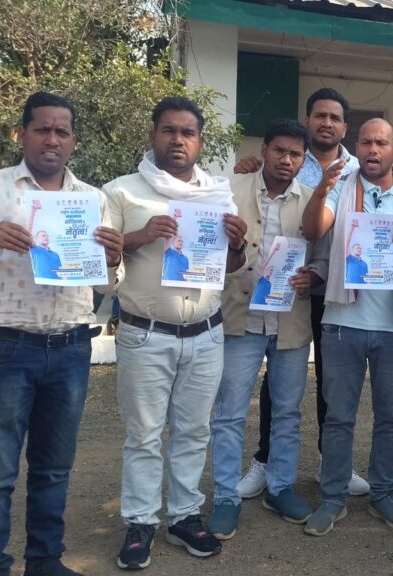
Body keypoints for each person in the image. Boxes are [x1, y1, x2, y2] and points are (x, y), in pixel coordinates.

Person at [0, 91, 123, 576]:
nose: (52, 139)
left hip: (70, 348)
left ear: (73, 141)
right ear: (22, 133)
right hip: (5, 348)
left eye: (61, 131)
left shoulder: (91, 200)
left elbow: (106, 285)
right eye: (42, 129)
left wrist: (113, 259)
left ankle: (45, 561)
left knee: (54, 468)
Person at [104, 96, 247, 570]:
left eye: (188, 132)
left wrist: (237, 243)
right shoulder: (122, 192)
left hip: (205, 333)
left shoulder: (217, 194)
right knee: (144, 435)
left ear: (200, 141)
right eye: (168, 130)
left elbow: (230, 266)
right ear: (153, 135)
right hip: (146, 334)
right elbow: (100, 257)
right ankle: (140, 521)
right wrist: (141, 236)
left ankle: (184, 516)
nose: (178, 139)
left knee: (194, 430)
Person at [301, 118, 393, 536]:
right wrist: (321, 189)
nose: (373, 150)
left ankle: (382, 495)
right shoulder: (339, 186)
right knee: (338, 417)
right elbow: (313, 230)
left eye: (381, 143)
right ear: (356, 147)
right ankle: (332, 497)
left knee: (390, 418)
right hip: (343, 323)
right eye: (366, 142)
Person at [232, 88, 367, 501]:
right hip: (280, 293)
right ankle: (265, 459)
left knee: (333, 379)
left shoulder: (359, 169)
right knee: (276, 380)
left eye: (335, 117)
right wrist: (247, 169)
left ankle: (333, 461)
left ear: (344, 127)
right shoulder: (287, 157)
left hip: (332, 286)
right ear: (308, 121)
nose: (327, 122)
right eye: (319, 115)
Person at [206, 119, 328, 541]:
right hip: (240, 319)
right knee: (229, 412)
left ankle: (280, 487)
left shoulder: (312, 202)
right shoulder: (229, 191)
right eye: (279, 150)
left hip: (289, 321)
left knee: (287, 412)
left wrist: (313, 276)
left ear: (303, 159)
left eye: (295, 154)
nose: (286, 160)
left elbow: (323, 257)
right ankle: (225, 497)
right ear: (265, 149)